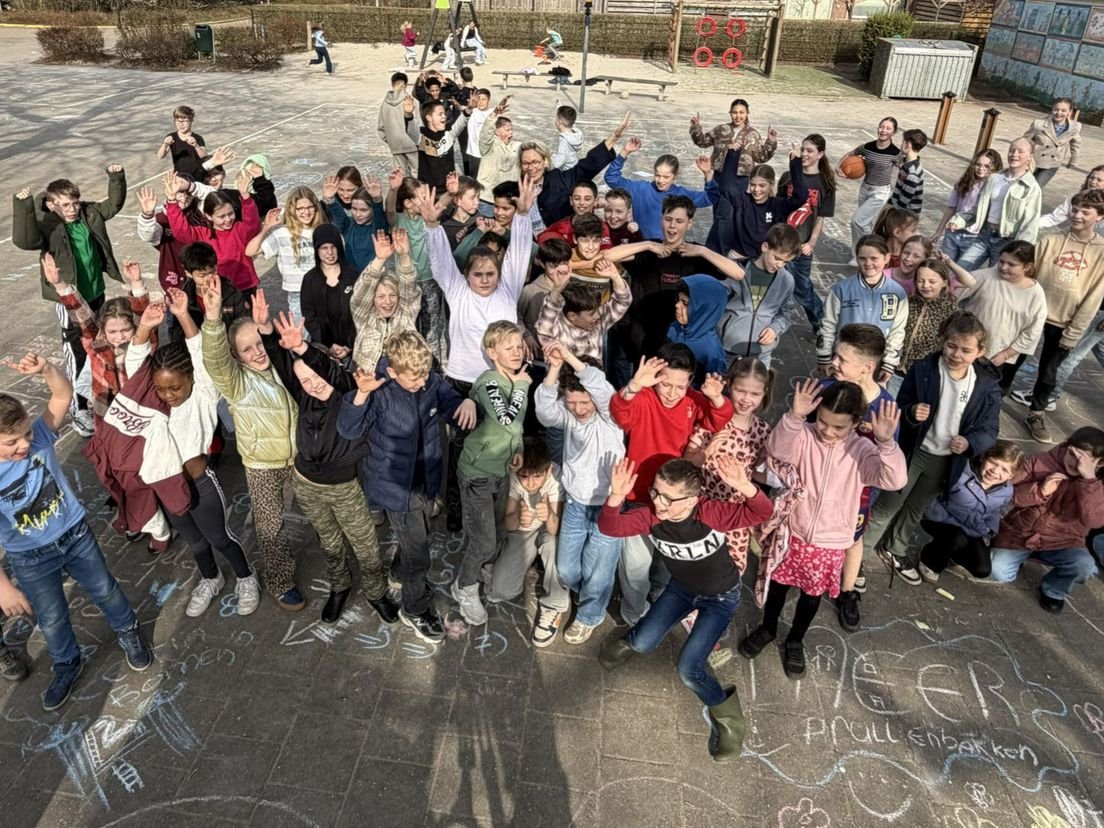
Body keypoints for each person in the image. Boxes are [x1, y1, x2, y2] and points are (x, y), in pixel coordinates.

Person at [0, 352, 152, 710]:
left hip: (74, 535)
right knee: (51, 616)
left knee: (106, 589)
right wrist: (3, 587)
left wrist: (47, 370)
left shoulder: (37, 438)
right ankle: (67, 662)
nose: (24, 444)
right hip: (30, 557)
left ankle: (128, 631)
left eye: (24, 435)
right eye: (12, 442)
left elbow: (62, 397)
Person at [598, 456, 773, 762]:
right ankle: (629, 642)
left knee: (689, 669)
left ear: (693, 499)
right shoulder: (652, 516)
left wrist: (744, 485)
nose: (658, 502)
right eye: (655, 492)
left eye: (668, 497)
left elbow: (762, 511)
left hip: (720, 598)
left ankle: (729, 721)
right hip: (681, 589)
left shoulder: (710, 512)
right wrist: (615, 496)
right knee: (642, 641)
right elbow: (610, 527)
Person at [739, 380, 906, 678]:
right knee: (777, 584)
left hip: (830, 542)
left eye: (839, 427)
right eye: (824, 422)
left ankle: (796, 639)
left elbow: (894, 481)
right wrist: (794, 416)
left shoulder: (863, 450)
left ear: (856, 423)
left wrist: (886, 444)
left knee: (811, 595)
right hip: (793, 530)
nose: (828, 431)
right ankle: (767, 627)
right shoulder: (804, 434)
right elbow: (776, 450)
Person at [260, 307, 401, 626]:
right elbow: (283, 365)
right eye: (304, 380)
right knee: (329, 541)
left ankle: (376, 593)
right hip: (307, 485)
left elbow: (327, 371)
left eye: (315, 375)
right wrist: (266, 331)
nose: (312, 384)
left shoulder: (346, 389)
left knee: (366, 545)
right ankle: (340, 584)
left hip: (346, 488)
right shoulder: (302, 393)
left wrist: (302, 348)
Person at [125, 294, 261, 618]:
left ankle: (246, 576)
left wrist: (184, 316)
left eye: (175, 388)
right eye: (161, 388)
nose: (168, 395)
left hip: (200, 484)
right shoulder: (151, 400)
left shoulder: (202, 393)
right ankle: (211, 578)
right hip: (167, 486)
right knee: (195, 542)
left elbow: (201, 356)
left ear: (191, 381)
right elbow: (134, 366)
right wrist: (145, 326)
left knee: (220, 537)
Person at [338, 331, 476, 642]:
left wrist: (463, 403)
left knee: (419, 535)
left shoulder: (428, 380)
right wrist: (360, 396)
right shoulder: (378, 389)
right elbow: (348, 429)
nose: (422, 383)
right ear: (391, 371)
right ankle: (414, 608)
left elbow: (446, 399)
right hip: (396, 488)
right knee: (419, 554)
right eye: (414, 379)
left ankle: (398, 573)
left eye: (425, 375)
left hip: (425, 478)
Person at [864, 312, 1002, 585]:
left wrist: (971, 443)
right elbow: (900, 406)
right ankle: (860, 550)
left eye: (966, 350)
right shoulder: (925, 369)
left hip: (946, 458)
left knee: (916, 507)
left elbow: (989, 429)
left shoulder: (986, 386)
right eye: (951, 346)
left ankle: (895, 548)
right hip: (914, 451)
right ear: (943, 341)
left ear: (980, 352)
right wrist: (912, 411)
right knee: (889, 503)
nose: (956, 354)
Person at [609, 344, 734, 626]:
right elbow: (620, 413)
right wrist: (633, 386)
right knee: (635, 564)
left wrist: (715, 398)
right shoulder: (642, 397)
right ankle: (632, 611)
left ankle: (660, 597)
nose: (671, 392)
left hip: (674, 499)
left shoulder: (692, 400)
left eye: (680, 385)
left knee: (668, 560)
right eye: (665, 383)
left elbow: (719, 417)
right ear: (655, 377)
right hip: (639, 494)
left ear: (691, 381)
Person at [198, 284, 300, 611]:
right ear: (236, 356)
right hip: (262, 464)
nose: (257, 352)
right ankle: (280, 581)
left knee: (324, 515)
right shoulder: (236, 381)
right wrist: (212, 318)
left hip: (300, 457)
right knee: (270, 527)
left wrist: (267, 329)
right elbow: (214, 359)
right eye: (246, 349)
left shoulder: (283, 364)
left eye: (259, 344)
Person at [12, 164, 127, 436]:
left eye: (74, 203)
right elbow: (24, 240)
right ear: (51, 205)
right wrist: (24, 205)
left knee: (101, 346)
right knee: (77, 354)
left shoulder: (89, 214)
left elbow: (113, 205)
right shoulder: (48, 226)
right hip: (69, 299)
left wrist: (116, 177)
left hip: (96, 294)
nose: (72, 209)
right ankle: (79, 408)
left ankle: (103, 391)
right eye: (64, 205)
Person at [535, 342, 625, 646]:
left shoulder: (611, 415)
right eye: (572, 402)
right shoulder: (569, 415)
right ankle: (587, 594)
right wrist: (556, 368)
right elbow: (545, 412)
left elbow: (599, 388)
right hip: (575, 503)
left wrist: (570, 358)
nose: (580, 409)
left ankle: (589, 616)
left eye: (585, 402)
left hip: (609, 506)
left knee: (598, 574)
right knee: (568, 569)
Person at [451, 321, 531, 626]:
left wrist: (518, 448)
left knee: (497, 529)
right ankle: (464, 587)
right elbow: (508, 420)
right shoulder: (490, 384)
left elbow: (515, 431)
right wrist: (523, 385)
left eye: (519, 346)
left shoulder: (511, 380)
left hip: (500, 470)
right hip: (477, 475)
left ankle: (482, 567)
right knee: (482, 541)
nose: (516, 352)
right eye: (508, 347)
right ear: (491, 352)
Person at [820, 324, 896, 632]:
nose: (834, 363)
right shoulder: (825, 388)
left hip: (856, 494)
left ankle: (847, 590)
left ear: (867, 367)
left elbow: (885, 463)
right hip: (818, 484)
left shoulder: (885, 408)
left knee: (853, 540)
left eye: (841, 359)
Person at [989, 427, 1104, 613]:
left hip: (1063, 542)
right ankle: (1017, 561)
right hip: (1020, 535)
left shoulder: (1098, 484)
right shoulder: (1041, 461)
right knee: (997, 571)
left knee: (1085, 566)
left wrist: (1089, 481)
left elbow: (1095, 521)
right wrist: (1039, 491)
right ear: (1066, 446)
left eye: (1084, 461)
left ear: (1099, 464)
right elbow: (1008, 494)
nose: (1075, 464)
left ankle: (1054, 590)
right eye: (1072, 454)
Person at [1020, 189, 1104, 444]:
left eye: (1085, 212)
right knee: (1010, 363)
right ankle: (990, 403)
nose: (1077, 216)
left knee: (1049, 372)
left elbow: (1094, 296)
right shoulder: (1050, 241)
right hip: (1035, 315)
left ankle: (1036, 412)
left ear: (1099, 217)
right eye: (1074, 209)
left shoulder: (1101, 252)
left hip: (1065, 321)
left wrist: (1074, 331)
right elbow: (1029, 277)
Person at [686, 356, 774, 579]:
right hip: (702, 507)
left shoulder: (764, 431)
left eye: (755, 394)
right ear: (729, 386)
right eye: (740, 391)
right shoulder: (712, 422)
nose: (746, 399)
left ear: (764, 394)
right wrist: (707, 452)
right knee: (696, 569)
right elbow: (686, 464)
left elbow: (762, 472)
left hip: (736, 514)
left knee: (730, 573)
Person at [44, 254, 151, 426]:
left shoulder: (141, 342)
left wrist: (137, 283)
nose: (119, 336)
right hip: (105, 410)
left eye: (126, 330)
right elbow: (79, 313)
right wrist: (59, 284)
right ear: (102, 328)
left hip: (139, 409)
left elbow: (144, 316)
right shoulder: (95, 342)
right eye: (113, 331)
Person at [486, 437, 567, 625]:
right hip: (523, 533)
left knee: (553, 546)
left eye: (537, 476)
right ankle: (528, 560)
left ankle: (556, 600)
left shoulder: (555, 475)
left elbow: (555, 529)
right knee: (501, 591)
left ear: (547, 471)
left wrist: (549, 515)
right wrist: (519, 517)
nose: (530, 483)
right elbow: (510, 523)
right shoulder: (513, 473)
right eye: (524, 476)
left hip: (547, 531)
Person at [947, 242, 1046, 395]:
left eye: (1011, 264)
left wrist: (1006, 354)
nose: (1004, 267)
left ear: (1027, 267)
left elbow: (1033, 331)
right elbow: (952, 293)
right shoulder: (985, 276)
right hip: (965, 349)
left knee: (980, 395)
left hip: (995, 357)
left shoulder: (1035, 294)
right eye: (1002, 261)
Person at [917, 441, 1022, 582]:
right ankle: (929, 559)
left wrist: (989, 530)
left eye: (1005, 470)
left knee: (982, 569)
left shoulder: (1006, 490)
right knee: (958, 538)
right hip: (939, 518)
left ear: (1011, 476)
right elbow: (954, 506)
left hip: (973, 528)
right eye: (993, 462)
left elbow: (995, 511)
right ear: (983, 457)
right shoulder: (962, 472)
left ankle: (951, 553)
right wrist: (979, 529)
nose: (995, 471)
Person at [816, 235, 908, 381]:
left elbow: (897, 331)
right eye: (862, 258)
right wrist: (824, 356)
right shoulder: (841, 289)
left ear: (886, 258)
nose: (868, 263)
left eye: (874, 258)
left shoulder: (898, 293)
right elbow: (828, 324)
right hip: (843, 363)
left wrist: (889, 363)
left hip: (875, 366)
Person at [520, 113, 631, 230]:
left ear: (545, 162)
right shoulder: (515, 189)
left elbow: (587, 166)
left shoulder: (558, 180)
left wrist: (614, 138)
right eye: (526, 163)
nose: (531, 168)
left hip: (557, 242)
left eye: (535, 162)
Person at [946, 137, 1041, 269]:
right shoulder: (994, 178)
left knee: (996, 280)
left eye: (1020, 151)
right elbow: (977, 209)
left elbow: (1030, 224)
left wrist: (1020, 252)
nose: (1014, 155)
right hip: (984, 236)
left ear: (1030, 156)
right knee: (961, 271)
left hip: (1006, 242)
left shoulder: (1031, 187)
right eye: (1012, 151)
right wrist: (959, 220)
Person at [164, 169, 261, 295]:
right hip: (216, 290)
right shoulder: (203, 234)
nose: (227, 219)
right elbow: (181, 231)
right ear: (209, 216)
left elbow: (253, 224)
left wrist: (246, 197)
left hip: (245, 288)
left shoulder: (238, 229)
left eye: (230, 214)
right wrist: (172, 201)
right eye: (221, 216)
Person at [717, 223, 801, 368]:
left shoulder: (787, 280)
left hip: (761, 353)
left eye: (786, 262)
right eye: (777, 258)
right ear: (765, 247)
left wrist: (775, 328)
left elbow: (786, 312)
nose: (780, 265)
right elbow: (716, 303)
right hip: (727, 350)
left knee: (756, 390)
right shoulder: (736, 271)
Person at [603, 138, 718, 241]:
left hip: (667, 248)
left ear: (675, 175)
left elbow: (710, 198)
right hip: (641, 245)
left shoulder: (681, 195)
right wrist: (625, 151)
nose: (660, 180)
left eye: (666, 177)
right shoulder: (640, 189)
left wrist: (707, 173)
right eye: (657, 175)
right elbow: (611, 178)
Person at [777, 134, 836, 330]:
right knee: (778, 284)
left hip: (802, 245)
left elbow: (820, 217)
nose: (804, 154)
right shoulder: (789, 177)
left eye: (809, 151)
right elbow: (778, 207)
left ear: (820, 154)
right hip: (783, 241)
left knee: (801, 289)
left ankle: (820, 321)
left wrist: (811, 242)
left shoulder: (825, 183)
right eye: (802, 150)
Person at [711, 141, 807, 258]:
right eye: (753, 185)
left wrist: (796, 163)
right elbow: (726, 186)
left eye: (762, 185)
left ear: (771, 185)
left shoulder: (778, 205)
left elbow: (801, 197)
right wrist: (733, 154)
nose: (756, 190)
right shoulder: (742, 201)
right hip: (738, 257)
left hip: (764, 259)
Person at [247, 186, 324, 323]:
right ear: (292, 210)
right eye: (300, 208)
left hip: (323, 290)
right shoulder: (282, 233)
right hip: (298, 293)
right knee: (302, 335)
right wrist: (266, 228)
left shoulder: (323, 230)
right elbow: (250, 251)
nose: (306, 212)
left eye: (309, 207)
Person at [351, 229, 420, 373]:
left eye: (392, 295)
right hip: (369, 377)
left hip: (403, 376)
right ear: (372, 299)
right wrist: (380, 259)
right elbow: (363, 290)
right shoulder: (363, 316)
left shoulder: (406, 312)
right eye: (381, 297)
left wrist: (404, 255)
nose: (387, 302)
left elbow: (409, 285)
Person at [536, 258, 631, 364]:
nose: (597, 316)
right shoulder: (556, 329)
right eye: (591, 314)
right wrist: (557, 289)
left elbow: (622, 302)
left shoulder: (598, 323)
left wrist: (615, 277)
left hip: (596, 380)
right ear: (572, 316)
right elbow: (546, 320)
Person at [893, 259, 961, 397]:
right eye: (920, 280)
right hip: (896, 369)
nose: (925, 285)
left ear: (944, 282)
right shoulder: (908, 302)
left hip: (923, 375)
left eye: (932, 281)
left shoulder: (951, 311)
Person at [837, 117, 901, 251]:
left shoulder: (895, 153)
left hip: (881, 192)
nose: (883, 130)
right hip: (865, 188)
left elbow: (904, 169)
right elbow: (851, 154)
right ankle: (869, 251)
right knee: (866, 224)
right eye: (881, 127)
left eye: (888, 128)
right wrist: (838, 167)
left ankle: (861, 252)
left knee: (857, 221)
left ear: (893, 133)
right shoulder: (867, 147)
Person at [689, 99, 777, 188]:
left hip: (742, 179)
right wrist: (695, 127)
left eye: (741, 112)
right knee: (714, 199)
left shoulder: (753, 134)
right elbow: (702, 142)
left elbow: (761, 157)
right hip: (718, 176)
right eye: (735, 112)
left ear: (747, 113)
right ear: (730, 113)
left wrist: (771, 142)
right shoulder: (720, 129)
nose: (738, 116)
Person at [931, 149, 1003, 261]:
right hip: (953, 232)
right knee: (944, 266)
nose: (981, 168)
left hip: (974, 237)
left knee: (962, 271)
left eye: (986, 166)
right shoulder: (964, 182)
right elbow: (951, 207)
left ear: (994, 168)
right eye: (978, 164)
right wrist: (939, 231)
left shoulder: (995, 189)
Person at [301, 224, 358, 362]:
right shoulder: (310, 279)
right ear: (316, 250)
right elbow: (309, 316)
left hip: (354, 345)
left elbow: (361, 312)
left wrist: (349, 345)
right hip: (323, 346)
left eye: (333, 247)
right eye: (324, 248)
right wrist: (328, 345)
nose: (330, 253)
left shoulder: (353, 275)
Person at [668, 275, 729, 382]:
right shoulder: (675, 327)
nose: (677, 305)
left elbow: (713, 390)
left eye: (685, 303)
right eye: (678, 300)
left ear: (703, 310)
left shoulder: (711, 352)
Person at [322, 177, 389, 274]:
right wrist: (330, 199)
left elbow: (379, 214)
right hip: (350, 278)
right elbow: (338, 214)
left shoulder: (378, 229)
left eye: (363, 210)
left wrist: (377, 200)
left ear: (372, 209)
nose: (358, 214)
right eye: (354, 209)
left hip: (373, 278)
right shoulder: (348, 225)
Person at [409, 95, 468, 192]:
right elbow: (411, 130)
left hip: (448, 189)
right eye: (440, 114)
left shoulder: (448, 134)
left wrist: (469, 108)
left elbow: (461, 123)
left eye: (444, 114)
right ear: (429, 117)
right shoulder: (421, 135)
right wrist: (408, 114)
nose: (444, 116)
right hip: (426, 190)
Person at [1023, 97, 1082, 189]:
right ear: (1052, 109)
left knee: (1036, 188)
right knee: (1023, 185)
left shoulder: (1074, 127)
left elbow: (1076, 144)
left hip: (1053, 163)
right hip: (1034, 160)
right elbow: (1025, 140)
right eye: (1056, 109)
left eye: (1063, 110)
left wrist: (1073, 159)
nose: (1059, 113)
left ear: (1069, 112)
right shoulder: (1039, 124)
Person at [477, 99, 522, 216]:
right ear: (497, 131)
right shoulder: (489, 146)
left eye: (511, 130)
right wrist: (494, 115)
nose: (511, 133)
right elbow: (485, 134)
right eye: (507, 130)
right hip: (488, 199)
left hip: (508, 200)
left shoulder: (517, 146)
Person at [1039, 165, 1104, 233]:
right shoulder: (1077, 198)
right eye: (1091, 178)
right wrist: (1032, 223)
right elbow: (1053, 218)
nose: (1093, 182)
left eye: (1099, 180)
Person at [379, 75, 419, 177]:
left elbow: (381, 127)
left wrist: (391, 140)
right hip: (412, 144)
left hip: (396, 145)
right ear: (405, 85)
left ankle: (402, 192)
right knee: (417, 174)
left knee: (400, 176)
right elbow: (417, 123)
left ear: (392, 84)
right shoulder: (411, 101)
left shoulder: (385, 104)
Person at [156, 105, 207, 179]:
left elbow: (204, 156)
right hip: (181, 177)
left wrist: (196, 146)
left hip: (198, 176)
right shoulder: (171, 137)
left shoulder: (197, 138)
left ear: (191, 121)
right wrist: (165, 144)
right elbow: (160, 156)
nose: (181, 124)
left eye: (185, 121)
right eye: (178, 121)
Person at [887, 128, 927, 215]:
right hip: (898, 207)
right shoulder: (905, 163)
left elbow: (906, 197)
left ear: (907, 145)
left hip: (907, 214)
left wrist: (892, 210)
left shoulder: (913, 173)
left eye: (902, 142)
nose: (901, 144)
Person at [464, 88, 492, 179]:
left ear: (489, 100)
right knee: (475, 180)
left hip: (487, 155)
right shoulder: (472, 112)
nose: (481, 102)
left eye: (483, 99)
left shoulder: (491, 113)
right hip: (474, 154)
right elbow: (460, 108)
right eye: (479, 99)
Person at [552, 105, 583, 171]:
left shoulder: (564, 141)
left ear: (559, 121)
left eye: (555, 117)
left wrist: (550, 158)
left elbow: (557, 163)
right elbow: (569, 120)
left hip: (566, 173)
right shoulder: (575, 134)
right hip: (574, 167)